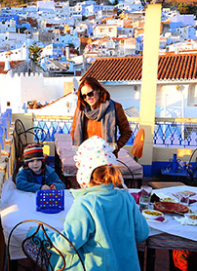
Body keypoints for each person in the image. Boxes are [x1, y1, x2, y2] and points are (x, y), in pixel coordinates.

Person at [41, 136, 149, 270]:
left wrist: (41, 234)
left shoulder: (85, 204)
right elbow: (142, 233)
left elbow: (67, 244)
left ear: (83, 174)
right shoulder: (126, 198)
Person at [71, 76, 133, 155]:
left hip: (107, 156)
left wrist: (116, 147)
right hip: (86, 156)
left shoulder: (115, 108)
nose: (88, 98)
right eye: (84, 96)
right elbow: (74, 131)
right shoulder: (80, 110)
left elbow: (126, 132)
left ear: (98, 90)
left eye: (90, 94)